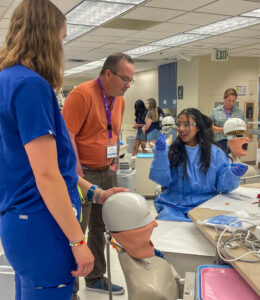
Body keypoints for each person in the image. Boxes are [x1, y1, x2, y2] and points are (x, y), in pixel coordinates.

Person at [0, 1, 126, 300]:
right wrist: (76, 241)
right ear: (46, 36)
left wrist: (95, 193)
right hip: (42, 223)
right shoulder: (32, 86)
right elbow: (45, 175)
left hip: (20, 222)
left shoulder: (6, 79)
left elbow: (41, 166)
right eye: (61, 38)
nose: (61, 48)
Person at [62, 52, 134, 297]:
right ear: (107, 74)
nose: (128, 85)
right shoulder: (82, 94)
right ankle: (70, 289)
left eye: (130, 80)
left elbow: (114, 132)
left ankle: (95, 278)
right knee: (77, 230)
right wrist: (76, 168)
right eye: (125, 78)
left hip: (106, 171)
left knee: (102, 227)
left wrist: (114, 157)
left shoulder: (120, 99)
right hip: (84, 176)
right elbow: (67, 135)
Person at [149, 108, 248, 222]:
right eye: (179, 124)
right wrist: (160, 155)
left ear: (198, 127)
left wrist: (232, 175)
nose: (181, 129)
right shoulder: (172, 151)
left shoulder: (215, 153)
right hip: (174, 206)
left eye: (186, 125)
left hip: (207, 205)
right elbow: (162, 180)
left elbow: (223, 186)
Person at [209, 88, 247, 152]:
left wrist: (238, 130)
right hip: (220, 142)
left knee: (234, 161)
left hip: (236, 142)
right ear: (224, 98)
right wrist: (227, 130)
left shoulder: (239, 112)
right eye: (229, 100)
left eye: (233, 101)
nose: (231, 103)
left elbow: (246, 126)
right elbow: (210, 127)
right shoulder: (214, 111)